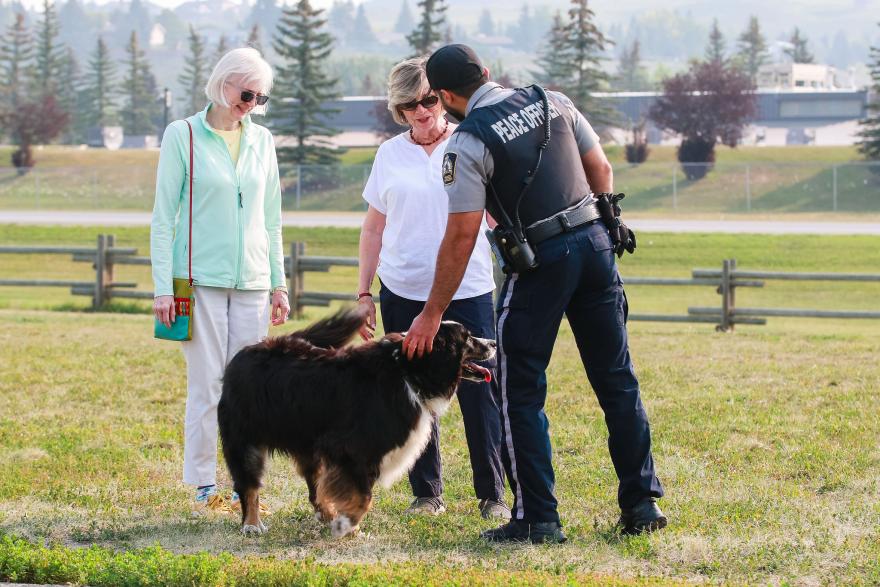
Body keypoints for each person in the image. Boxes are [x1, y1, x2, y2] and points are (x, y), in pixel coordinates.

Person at [402, 44, 666, 544]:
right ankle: (642, 503)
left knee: (520, 390)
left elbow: (461, 236)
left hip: (541, 259)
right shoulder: (553, 100)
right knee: (617, 380)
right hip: (594, 243)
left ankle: (538, 519)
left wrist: (432, 313)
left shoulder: (468, 142)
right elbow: (601, 170)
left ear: (445, 95)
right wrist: (603, 226)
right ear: (488, 73)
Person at [357, 56, 510, 520]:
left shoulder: (468, 142)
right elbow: (373, 229)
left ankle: (493, 495)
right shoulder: (389, 155)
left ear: (441, 98)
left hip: (467, 289)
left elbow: (495, 216)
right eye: (410, 106)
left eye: (428, 100)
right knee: (414, 395)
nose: (422, 112)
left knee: (481, 393)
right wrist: (364, 292)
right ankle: (427, 492)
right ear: (398, 111)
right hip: (402, 290)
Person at [151, 47, 289, 516]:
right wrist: (162, 288)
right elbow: (162, 219)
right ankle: (204, 483)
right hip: (198, 281)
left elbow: (272, 220)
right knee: (207, 384)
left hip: (252, 282)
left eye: (260, 97)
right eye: (246, 92)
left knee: (249, 390)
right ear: (222, 83)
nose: (251, 103)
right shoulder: (183, 135)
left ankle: (244, 484)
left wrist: (279, 283)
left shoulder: (263, 142)